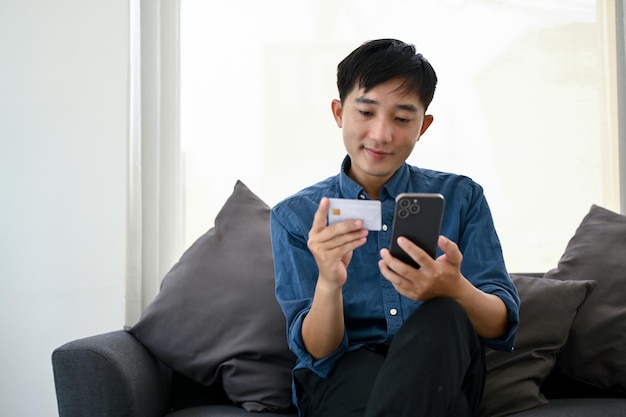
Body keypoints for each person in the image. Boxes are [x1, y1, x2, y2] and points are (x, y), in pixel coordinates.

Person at [270, 38, 520, 417]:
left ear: (424, 126)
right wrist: (328, 282)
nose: (382, 134)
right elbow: (319, 351)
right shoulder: (296, 216)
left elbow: (500, 323)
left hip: (443, 363)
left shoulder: (461, 197)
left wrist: (454, 289)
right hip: (344, 373)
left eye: (402, 119)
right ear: (339, 112)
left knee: (447, 314)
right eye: (366, 113)